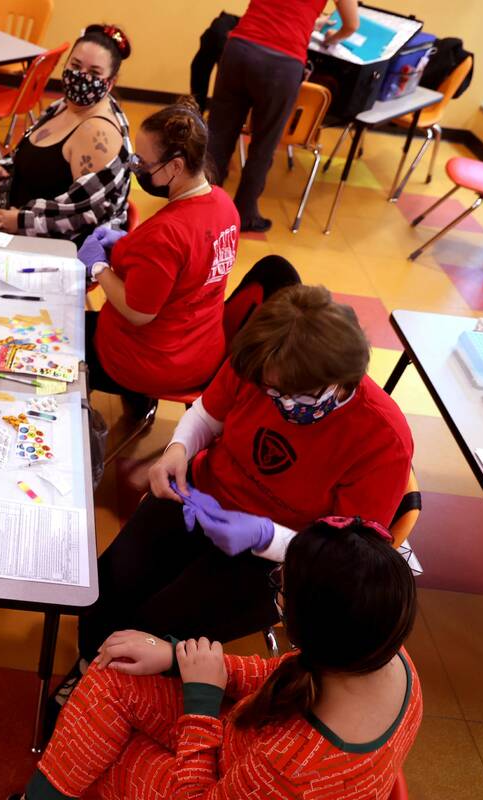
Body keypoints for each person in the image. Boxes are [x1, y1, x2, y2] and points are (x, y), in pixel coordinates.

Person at [61, 284, 413, 704]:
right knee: (112, 580)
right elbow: (209, 413)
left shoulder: (381, 439)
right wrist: (178, 449)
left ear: (339, 383)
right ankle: (89, 669)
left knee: (162, 622)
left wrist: (265, 537)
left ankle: (112, 699)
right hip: (201, 496)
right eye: (267, 390)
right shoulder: (262, 361)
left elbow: (344, 558)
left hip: (281, 560)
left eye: (285, 395)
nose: (274, 401)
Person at [11, 518, 422, 799]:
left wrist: (201, 705)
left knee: (100, 752)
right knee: (111, 679)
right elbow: (281, 673)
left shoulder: (293, 766)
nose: (278, 591)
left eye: (283, 588)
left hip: (227, 770)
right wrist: (177, 658)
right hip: (240, 745)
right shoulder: (384, 653)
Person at [78, 98, 239, 408]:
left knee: (59, 338)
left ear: (175, 166)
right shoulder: (224, 204)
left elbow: (139, 313)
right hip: (201, 349)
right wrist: (127, 245)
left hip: (153, 363)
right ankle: (139, 405)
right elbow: (186, 267)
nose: (137, 168)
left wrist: (99, 267)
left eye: (143, 164)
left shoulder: (167, 233)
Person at [206, 0, 360, 232]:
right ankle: (245, 214)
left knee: (218, 135)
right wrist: (331, 38)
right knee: (263, 143)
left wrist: (308, 20)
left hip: (240, 48)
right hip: (281, 64)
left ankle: (201, 204)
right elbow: (351, 25)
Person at [0, 23, 133, 243]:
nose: (81, 77)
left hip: (49, 249)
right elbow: (28, 153)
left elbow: (87, 217)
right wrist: (0, 168)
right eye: (75, 65)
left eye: (94, 72)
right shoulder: (63, 105)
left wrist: (21, 221)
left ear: (110, 81)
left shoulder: (96, 133)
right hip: (12, 223)